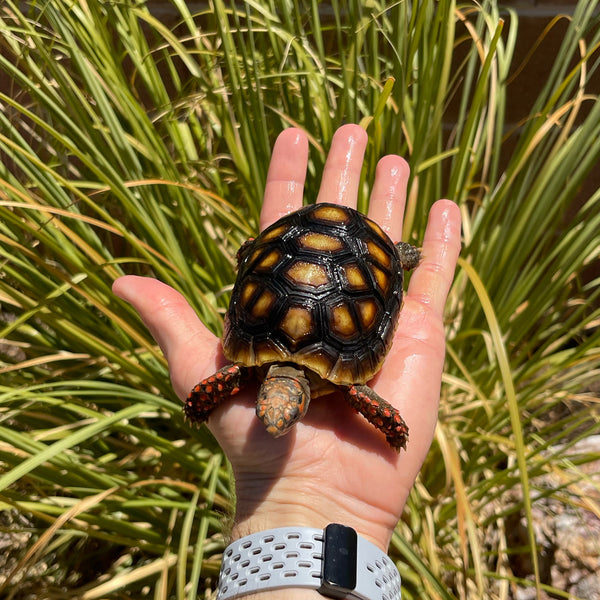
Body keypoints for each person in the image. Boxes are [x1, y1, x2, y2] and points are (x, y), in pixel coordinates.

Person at [113, 124, 462, 599]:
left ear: (298, 401)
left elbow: (361, 397)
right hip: (320, 260)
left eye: (280, 413)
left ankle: (390, 258)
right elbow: (356, 390)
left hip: (310, 248)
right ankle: (387, 259)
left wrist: (201, 400)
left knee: (360, 352)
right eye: (277, 414)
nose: (276, 422)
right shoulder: (318, 380)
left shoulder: (248, 369)